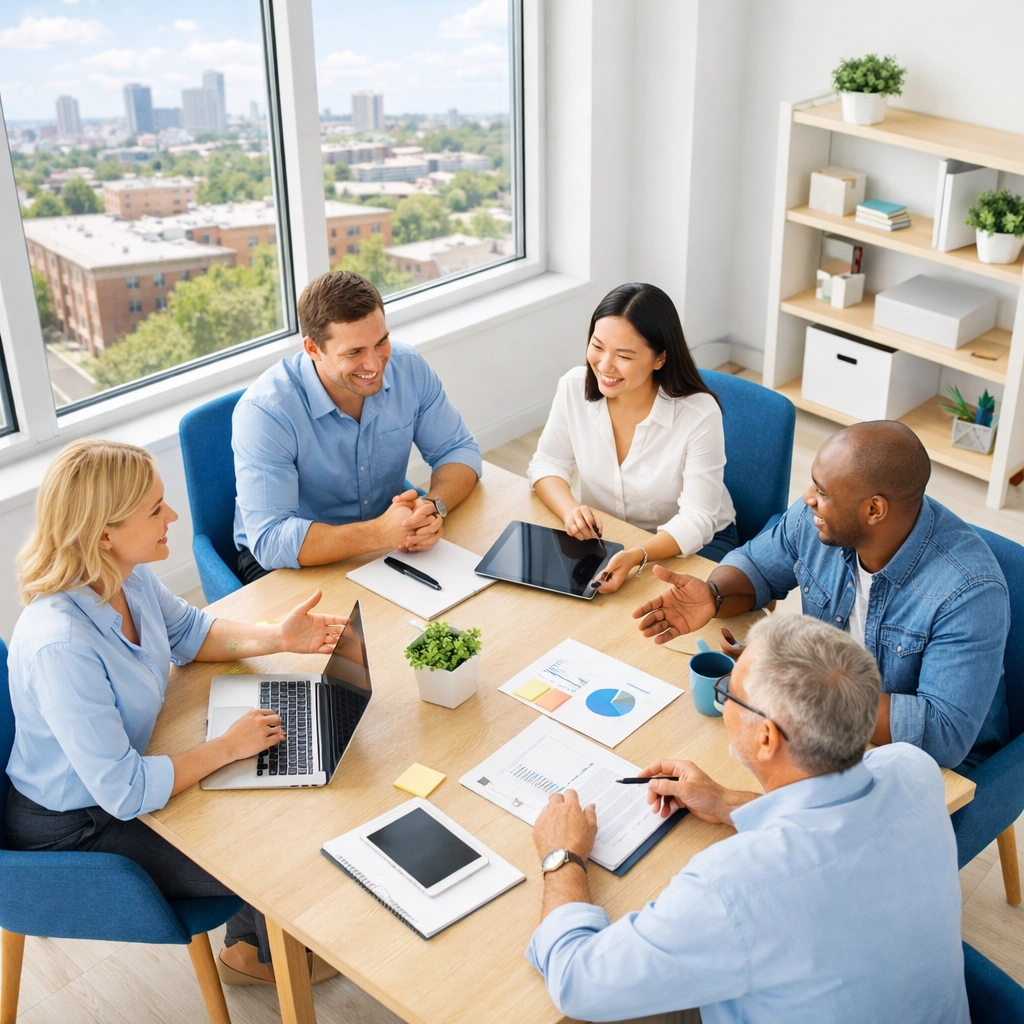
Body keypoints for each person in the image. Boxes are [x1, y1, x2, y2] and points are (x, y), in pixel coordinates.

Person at [4, 440, 344, 986]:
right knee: (258, 856)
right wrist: (226, 747)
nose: (173, 516)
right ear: (103, 534)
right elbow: (125, 793)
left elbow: (190, 632)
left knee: (256, 795)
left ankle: (250, 939)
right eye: (155, 509)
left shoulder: (127, 576)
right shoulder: (60, 645)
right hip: (75, 826)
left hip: (115, 780)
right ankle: (255, 955)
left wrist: (276, 637)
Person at [527, 615, 969, 1024]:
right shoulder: (914, 769)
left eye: (728, 693)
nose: (723, 705)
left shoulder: (731, 886)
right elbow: (829, 831)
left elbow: (577, 982)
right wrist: (726, 802)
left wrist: (561, 856)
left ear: (766, 736)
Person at [633, 420, 1009, 769]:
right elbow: (757, 566)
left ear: (874, 509)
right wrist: (714, 594)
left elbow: (943, 734)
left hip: (925, 768)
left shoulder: (968, 593)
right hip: (829, 726)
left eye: (823, 492)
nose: (808, 498)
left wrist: (797, 681)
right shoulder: (820, 518)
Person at [232, 270, 482, 583]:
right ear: (313, 349)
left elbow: (457, 448)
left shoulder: (408, 367)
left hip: (384, 537)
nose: (375, 365)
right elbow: (270, 539)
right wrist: (378, 534)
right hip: (289, 559)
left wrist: (434, 506)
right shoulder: (265, 412)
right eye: (355, 353)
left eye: (381, 342)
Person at [527, 282, 737, 593]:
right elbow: (547, 463)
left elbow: (698, 518)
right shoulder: (573, 387)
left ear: (660, 359)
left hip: (693, 543)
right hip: (611, 537)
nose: (604, 366)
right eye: (597, 347)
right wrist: (570, 509)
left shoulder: (698, 413)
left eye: (623, 356)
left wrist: (639, 555)